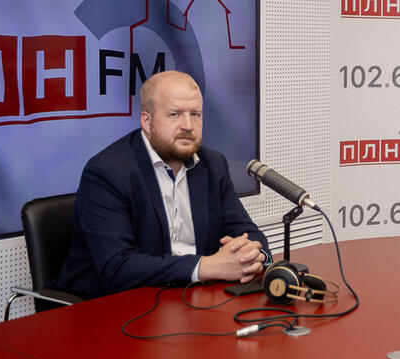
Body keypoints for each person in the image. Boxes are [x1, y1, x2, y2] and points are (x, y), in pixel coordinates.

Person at [54, 70, 269, 298]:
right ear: (147, 121)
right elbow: (117, 267)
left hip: (189, 297)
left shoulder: (213, 165)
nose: (188, 125)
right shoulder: (107, 172)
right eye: (175, 114)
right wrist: (205, 267)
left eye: (195, 114)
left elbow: (249, 234)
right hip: (112, 305)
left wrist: (252, 255)